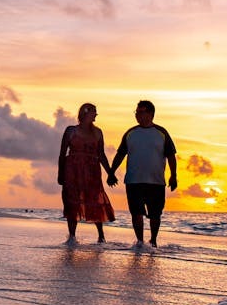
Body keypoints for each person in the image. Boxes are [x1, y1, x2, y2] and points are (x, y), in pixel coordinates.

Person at [107, 100, 178, 248]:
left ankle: (153, 241)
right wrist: (112, 172)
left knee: (155, 214)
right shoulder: (130, 133)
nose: (138, 115)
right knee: (136, 213)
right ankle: (139, 241)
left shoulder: (162, 133)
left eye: (141, 112)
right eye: (136, 112)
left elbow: (171, 155)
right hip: (134, 180)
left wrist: (173, 175)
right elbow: (120, 154)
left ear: (150, 114)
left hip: (156, 181)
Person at [57, 103, 115, 244]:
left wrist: (110, 173)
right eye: (93, 112)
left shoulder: (98, 132)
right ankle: (72, 237)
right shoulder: (71, 131)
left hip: (92, 170)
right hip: (73, 170)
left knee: (95, 200)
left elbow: (101, 154)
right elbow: (62, 153)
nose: (96, 114)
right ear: (85, 113)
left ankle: (101, 236)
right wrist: (60, 173)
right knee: (72, 201)